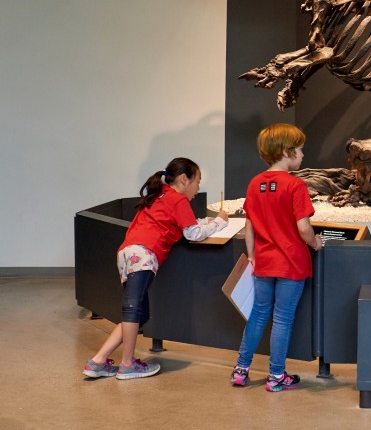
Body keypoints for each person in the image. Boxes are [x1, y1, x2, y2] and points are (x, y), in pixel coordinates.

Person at [82, 157, 228, 380]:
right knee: (132, 310)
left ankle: (98, 362)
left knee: (139, 313)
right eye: (197, 182)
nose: (198, 189)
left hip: (128, 254)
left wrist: (204, 222)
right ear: (183, 179)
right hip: (144, 254)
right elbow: (193, 234)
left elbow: (180, 225)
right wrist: (220, 222)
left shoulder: (159, 195)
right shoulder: (178, 200)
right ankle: (128, 364)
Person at [230, 123, 322, 392]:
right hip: (292, 263)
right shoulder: (295, 185)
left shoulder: (254, 183)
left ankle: (241, 369)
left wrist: (252, 256)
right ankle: (276, 376)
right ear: (287, 151)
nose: (303, 154)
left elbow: (250, 225)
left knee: (258, 315)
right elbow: (303, 227)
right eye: (301, 149)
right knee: (282, 319)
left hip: (264, 262)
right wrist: (316, 242)